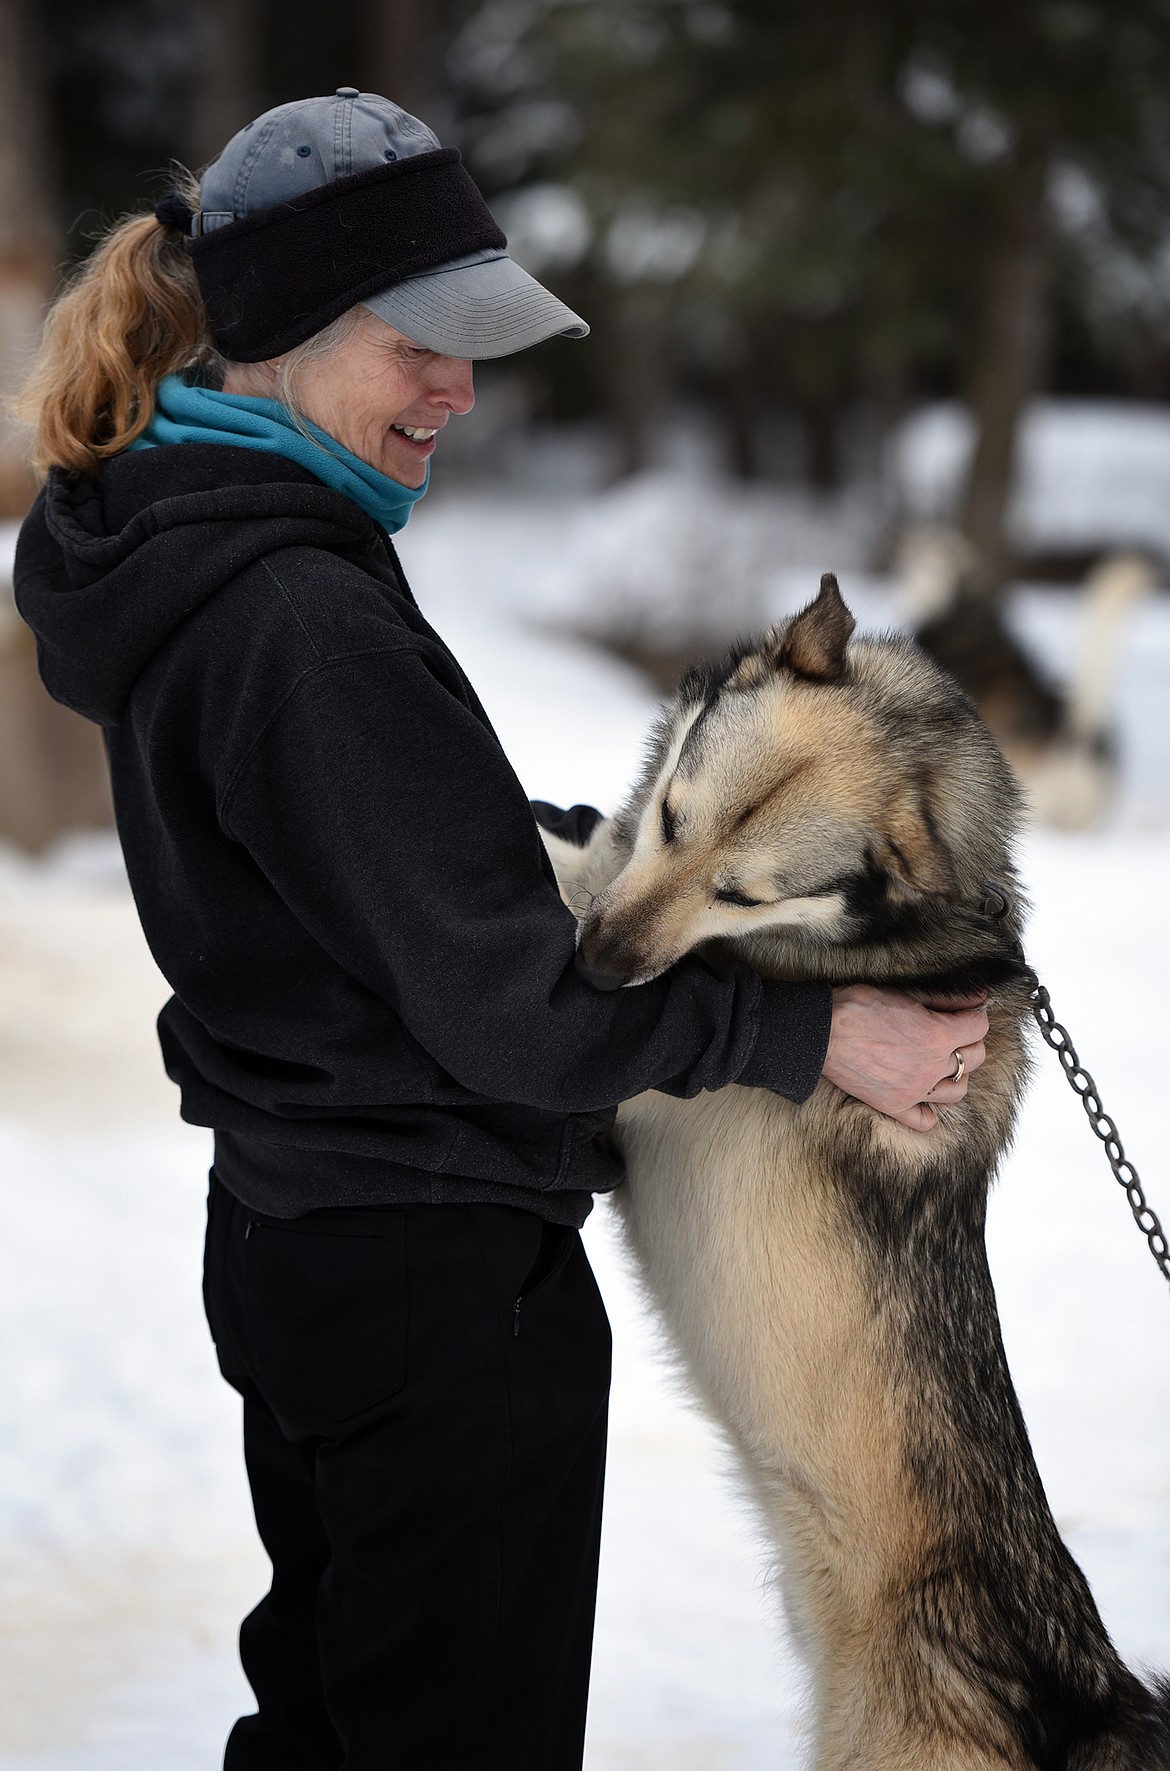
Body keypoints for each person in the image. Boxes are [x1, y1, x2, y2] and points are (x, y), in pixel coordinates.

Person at [13, 89, 988, 1771]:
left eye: (478, 346)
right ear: (293, 330)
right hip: (436, 1286)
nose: (461, 390)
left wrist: (574, 849)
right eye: (422, 345)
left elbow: (354, 865)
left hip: (303, 1235)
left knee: (334, 1719)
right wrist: (811, 1032)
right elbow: (513, 1017)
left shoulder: (204, 547)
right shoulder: (297, 614)